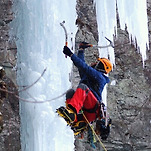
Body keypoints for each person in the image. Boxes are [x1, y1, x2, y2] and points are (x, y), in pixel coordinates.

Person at [57, 42, 112, 141]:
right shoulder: (90, 77)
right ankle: (76, 121)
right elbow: (81, 66)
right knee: (70, 93)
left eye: (98, 63)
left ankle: (72, 112)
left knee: (83, 87)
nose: (95, 64)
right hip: (88, 110)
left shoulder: (100, 77)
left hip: (93, 107)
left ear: (101, 67)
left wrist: (71, 55)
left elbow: (84, 67)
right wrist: (81, 50)